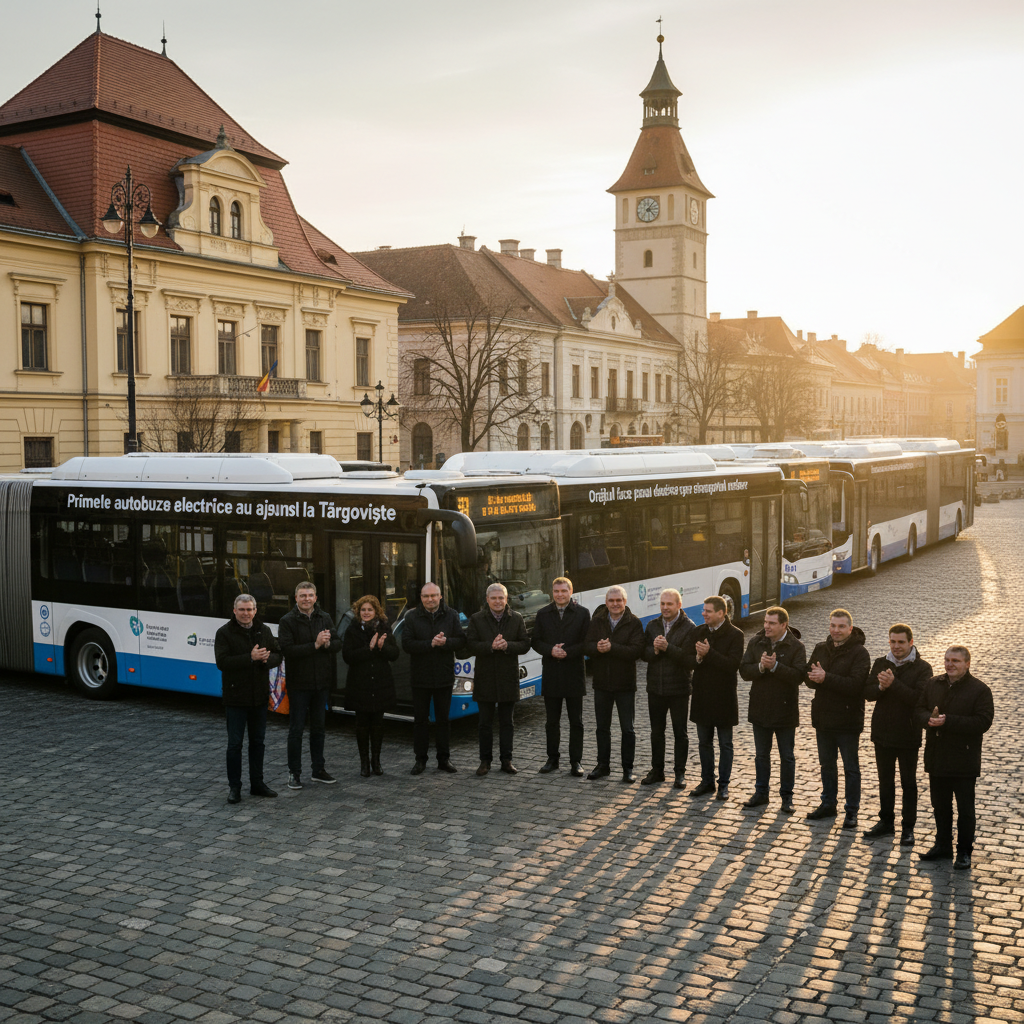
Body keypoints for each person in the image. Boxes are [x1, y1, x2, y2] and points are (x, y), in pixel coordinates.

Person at [914, 647, 994, 870]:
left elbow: (983, 722)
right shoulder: (933, 683)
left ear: (967, 663)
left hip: (963, 759)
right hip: (937, 757)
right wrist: (927, 720)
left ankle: (964, 852)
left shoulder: (980, 690)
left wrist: (948, 721)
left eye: (956, 661)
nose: (950, 664)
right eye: (947, 660)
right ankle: (943, 846)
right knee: (940, 806)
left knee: (965, 810)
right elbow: (919, 709)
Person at [862, 624, 932, 845]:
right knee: (885, 781)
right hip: (882, 732)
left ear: (911, 642)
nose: (896, 646)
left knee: (908, 783)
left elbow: (918, 699)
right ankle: (886, 822)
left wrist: (893, 684)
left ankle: (908, 828)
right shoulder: (881, 663)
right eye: (893, 641)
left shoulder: (923, 668)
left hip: (908, 734)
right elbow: (867, 693)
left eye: (901, 642)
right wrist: (880, 689)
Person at [804, 608, 871, 829]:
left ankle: (852, 811)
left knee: (851, 768)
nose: (836, 630)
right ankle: (828, 804)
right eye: (833, 625)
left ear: (850, 629)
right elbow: (810, 678)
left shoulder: (860, 653)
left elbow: (855, 685)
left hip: (847, 719)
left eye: (841, 626)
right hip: (823, 718)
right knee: (827, 765)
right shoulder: (820, 648)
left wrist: (826, 678)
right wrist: (814, 678)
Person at [214, 593, 282, 804]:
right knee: (235, 745)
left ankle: (257, 784)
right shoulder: (224, 633)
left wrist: (265, 660)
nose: (246, 613)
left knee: (258, 743)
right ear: (234, 611)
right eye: (242, 610)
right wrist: (250, 658)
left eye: (250, 609)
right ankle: (235, 787)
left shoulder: (264, 630)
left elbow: (278, 655)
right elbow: (222, 662)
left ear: (255, 611)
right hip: (235, 698)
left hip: (259, 697)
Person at [739, 606, 806, 812]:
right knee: (761, 755)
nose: (766, 626)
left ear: (783, 625)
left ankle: (787, 797)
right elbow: (743, 670)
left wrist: (776, 667)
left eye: (771, 623)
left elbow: (799, 676)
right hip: (760, 707)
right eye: (765, 622)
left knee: (786, 756)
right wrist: (760, 667)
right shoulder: (755, 642)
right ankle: (761, 793)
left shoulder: (796, 646)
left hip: (785, 709)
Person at [277, 581, 341, 790]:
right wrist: (315, 645)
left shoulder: (324, 617)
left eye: (310, 595)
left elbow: (338, 643)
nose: (307, 599)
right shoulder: (287, 621)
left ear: (315, 597)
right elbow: (287, 650)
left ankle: (318, 770)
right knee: (296, 730)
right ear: (296, 598)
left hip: (321, 683)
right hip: (299, 684)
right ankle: (294, 773)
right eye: (302, 595)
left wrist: (328, 643)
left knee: (319, 729)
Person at [465, 583, 531, 776]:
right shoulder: (477, 619)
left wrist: (507, 645)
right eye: (493, 598)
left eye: (501, 598)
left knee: (507, 722)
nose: (497, 601)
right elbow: (470, 644)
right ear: (487, 600)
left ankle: (506, 760)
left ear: (506, 598)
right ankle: (485, 761)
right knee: (484, 723)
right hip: (485, 677)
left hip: (507, 677)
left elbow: (525, 644)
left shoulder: (516, 618)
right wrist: (491, 646)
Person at [401, 582, 465, 774]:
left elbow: (461, 641)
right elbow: (407, 644)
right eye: (426, 596)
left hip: (444, 676)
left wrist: (445, 643)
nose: (430, 599)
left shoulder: (451, 615)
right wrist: (430, 644)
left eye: (433, 596)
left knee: (443, 721)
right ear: (421, 598)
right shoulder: (411, 616)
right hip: (420, 677)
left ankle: (444, 760)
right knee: (420, 721)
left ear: (440, 597)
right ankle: (420, 760)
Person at [584, 585, 645, 783]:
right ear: (606, 603)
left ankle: (628, 768)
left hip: (625, 684)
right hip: (602, 683)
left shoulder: (633, 622)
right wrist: (596, 648)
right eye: (611, 601)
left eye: (619, 600)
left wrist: (612, 648)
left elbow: (636, 651)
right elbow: (586, 645)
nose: (615, 604)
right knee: (602, 728)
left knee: (627, 729)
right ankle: (603, 765)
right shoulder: (597, 620)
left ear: (625, 602)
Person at [686, 595, 745, 801]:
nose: (704, 614)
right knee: (704, 742)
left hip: (723, 697)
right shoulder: (698, 631)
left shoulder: (736, 635)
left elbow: (732, 665)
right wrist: (698, 658)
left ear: (722, 613)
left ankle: (723, 785)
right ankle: (707, 781)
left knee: (725, 744)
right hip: (702, 695)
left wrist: (709, 654)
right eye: (703, 610)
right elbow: (689, 660)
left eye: (708, 611)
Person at [532, 576, 591, 777]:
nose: (560, 595)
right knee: (552, 721)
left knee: (576, 721)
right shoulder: (543, 614)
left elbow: (587, 642)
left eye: (563, 591)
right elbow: (536, 641)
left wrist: (568, 652)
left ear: (570, 591)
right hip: (552, 674)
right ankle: (552, 759)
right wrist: (550, 650)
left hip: (574, 673)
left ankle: (576, 761)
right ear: (552, 592)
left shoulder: (582, 614)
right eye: (556, 591)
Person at [640, 589, 695, 788]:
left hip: (679, 688)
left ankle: (680, 773)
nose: (665, 607)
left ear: (679, 605)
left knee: (680, 733)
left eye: (669, 604)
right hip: (655, 688)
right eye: (662, 604)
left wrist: (667, 648)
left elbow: (690, 660)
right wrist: (654, 650)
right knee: (657, 732)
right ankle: (657, 771)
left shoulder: (689, 627)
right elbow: (644, 654)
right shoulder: (652, 625)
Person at [342, 595, 399, 777]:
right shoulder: (352, 629)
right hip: (360, 684)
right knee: (362, 724)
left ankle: (376, 761)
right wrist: (369, 648)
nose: (366, 613)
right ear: (359, 612)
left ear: (376, 611)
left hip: (380, 683)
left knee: (378, 724)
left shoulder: (384, 628)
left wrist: (382, 647)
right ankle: (364, 763)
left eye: (370, 610)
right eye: (363, 610)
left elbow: (394, 654)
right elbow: (347, 656)